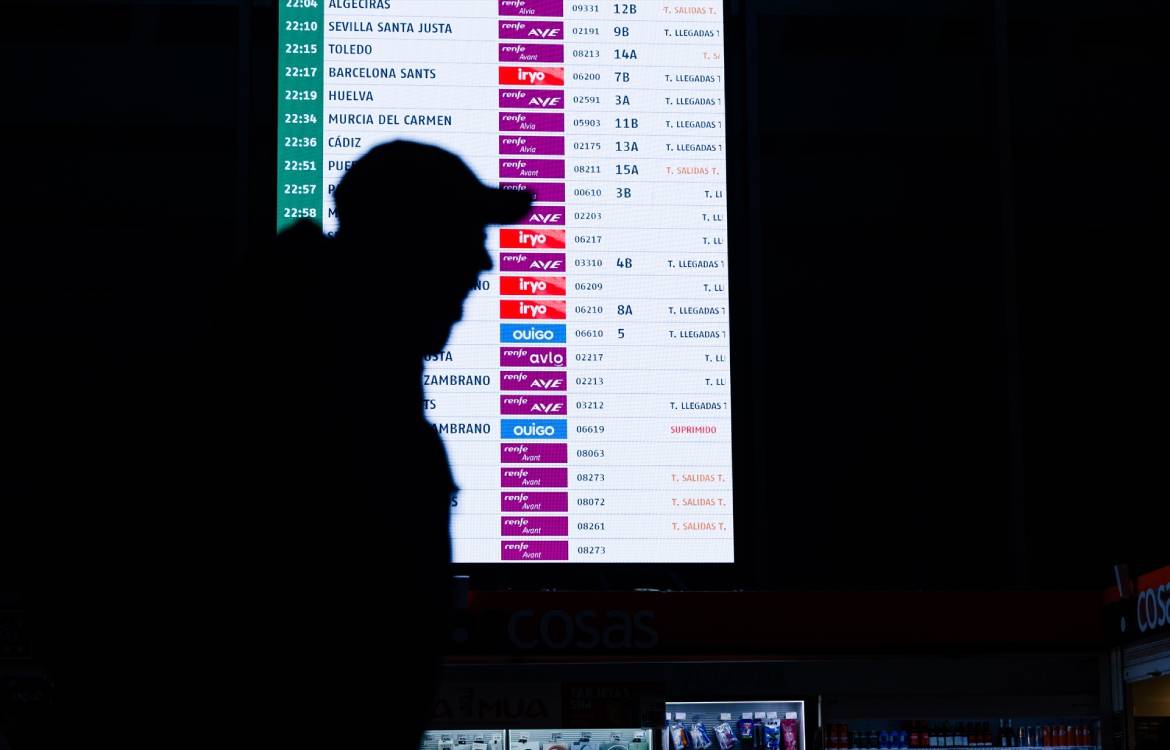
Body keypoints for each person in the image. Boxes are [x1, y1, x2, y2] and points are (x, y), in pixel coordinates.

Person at [209, 141, 533, 748]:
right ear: (407, 249)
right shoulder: (309, 404)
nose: (483, 263)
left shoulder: (317, 371)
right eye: (464, 237)